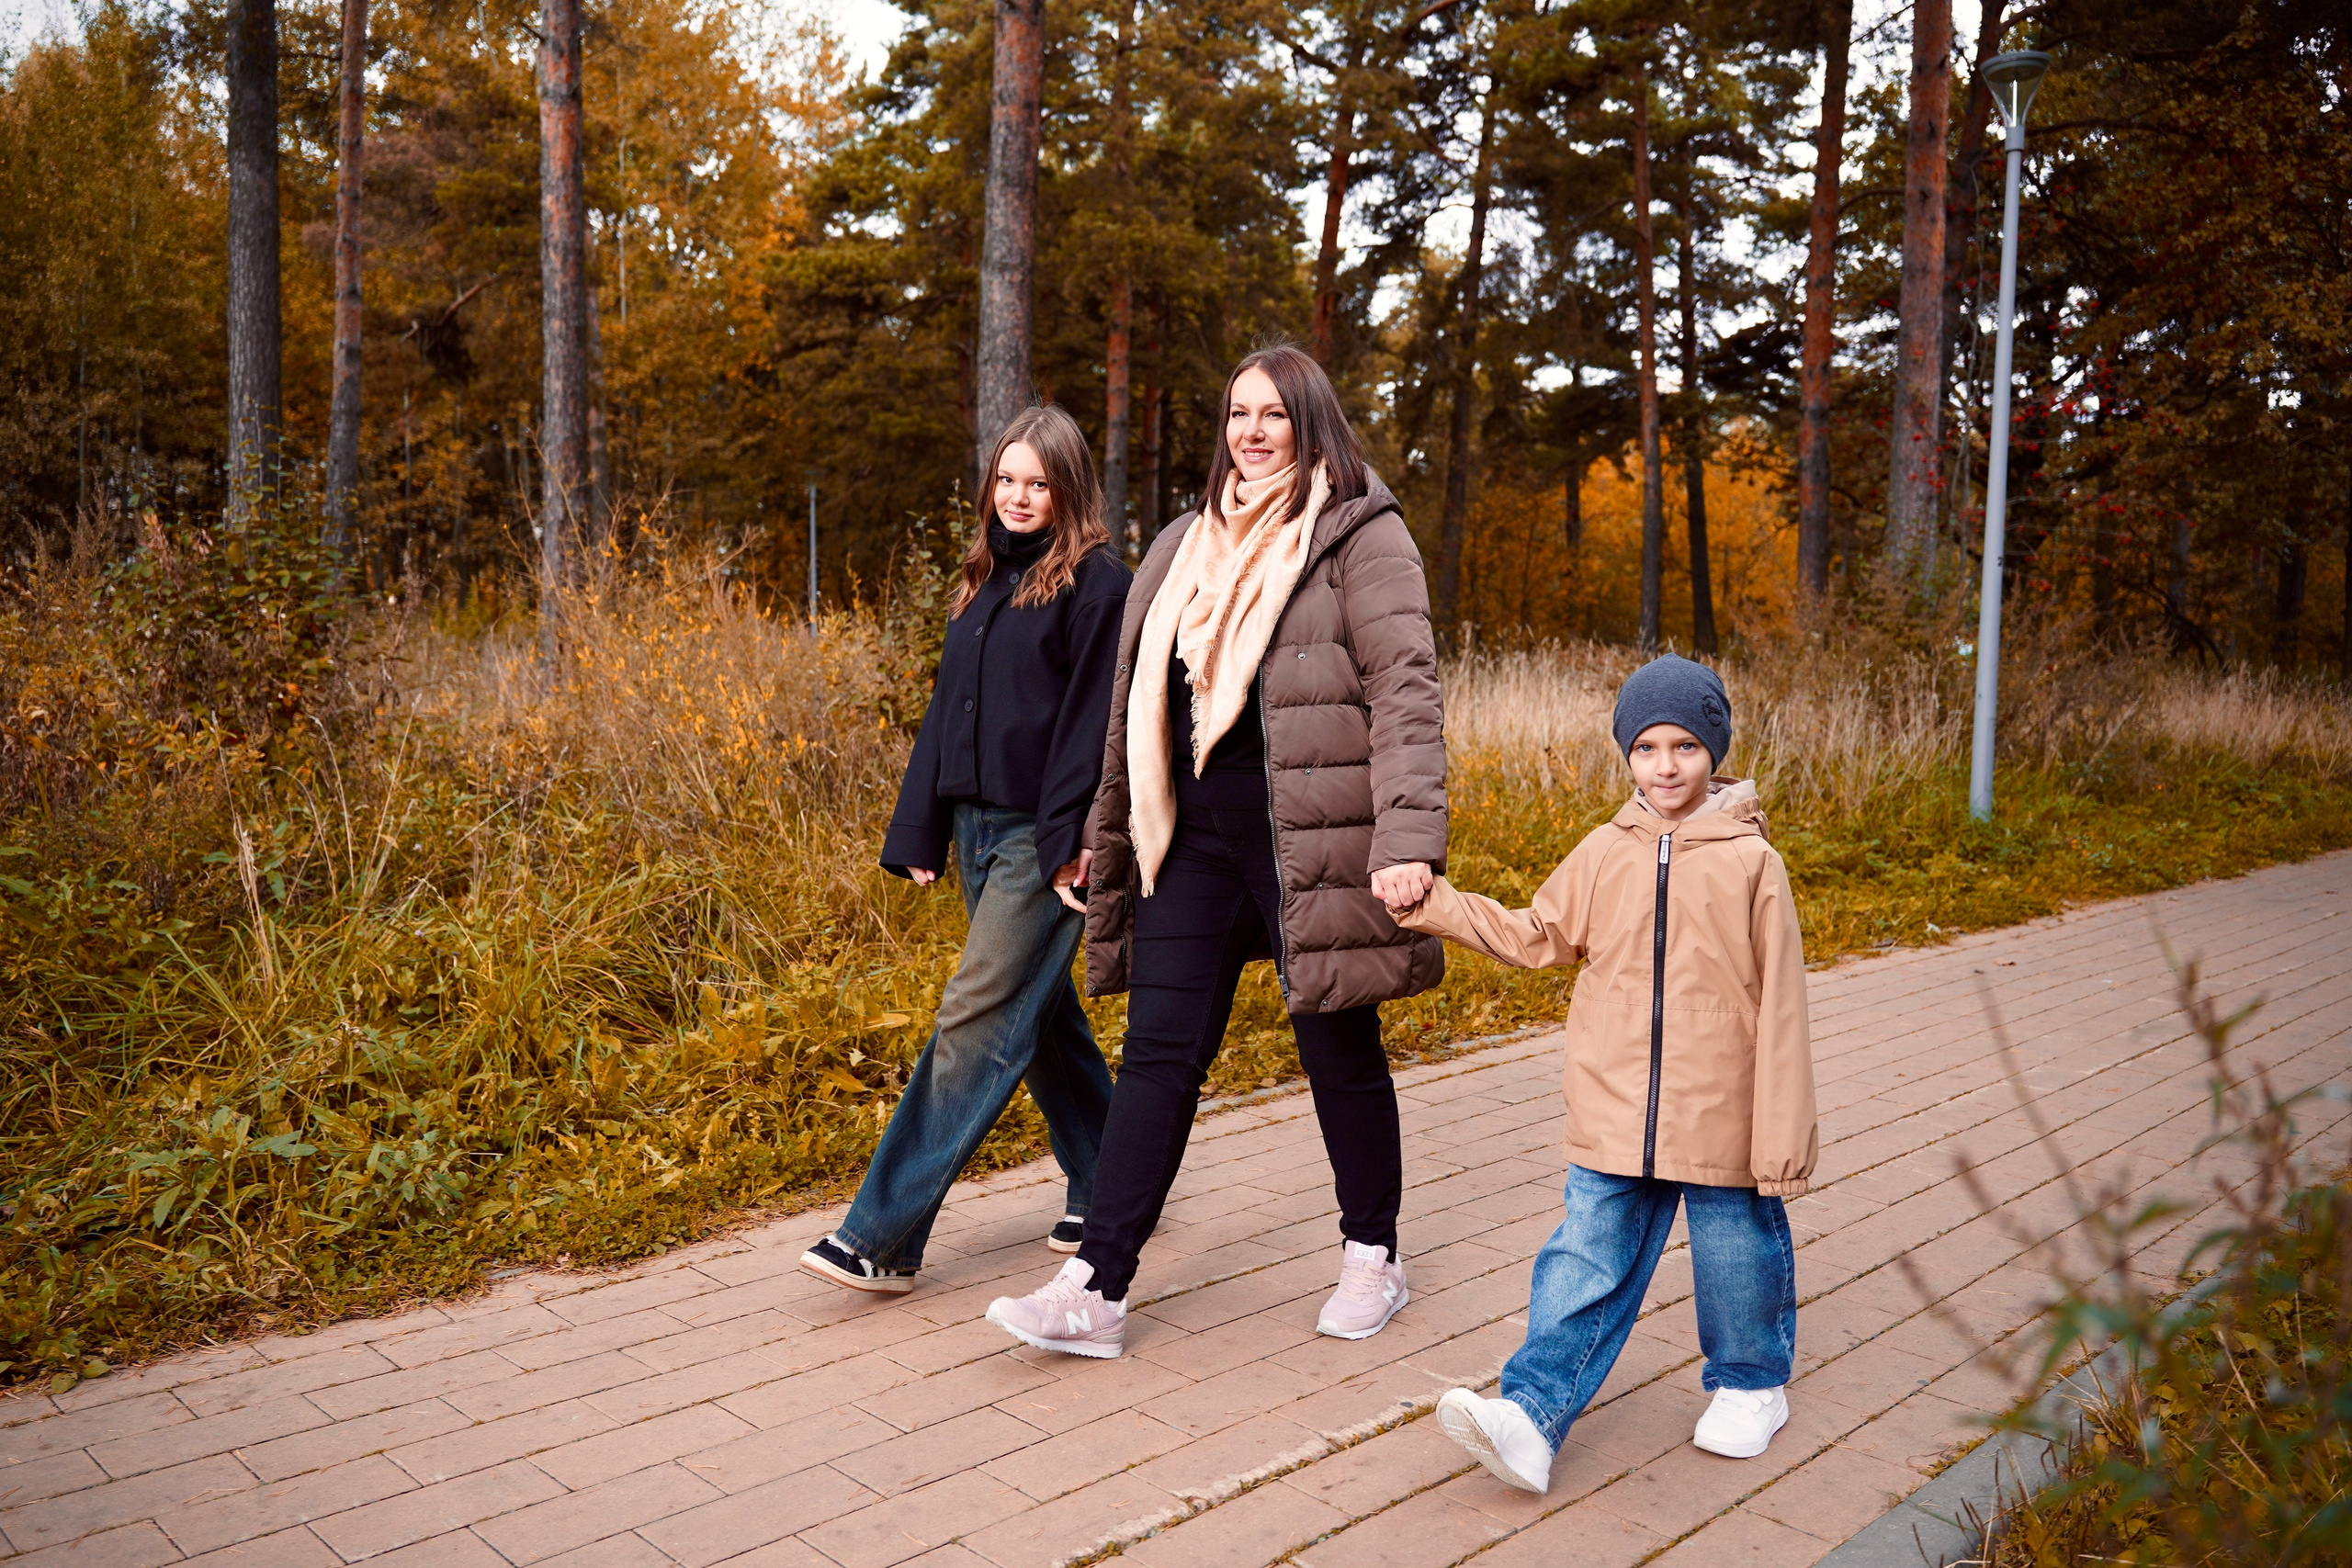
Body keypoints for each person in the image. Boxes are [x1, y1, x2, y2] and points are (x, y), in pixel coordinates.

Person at [983, 343, 1447, 1358]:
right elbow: (1125, 710)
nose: (1251, 431)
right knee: (1157, 1054)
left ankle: (1373, 1252)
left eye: (1273, 414)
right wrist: (1088, 840)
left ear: (1310, 423)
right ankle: (1097, 1287)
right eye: (1238, 413)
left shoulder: (1359, 533)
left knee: (1336, 1042)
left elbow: (1405, 690)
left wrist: (1410, 839)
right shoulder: (1186, 542)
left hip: (1313, 829)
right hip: (1188, 829)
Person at [1381, 654, 1816, 1488]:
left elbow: (1786, 1006)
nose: (1665, 766)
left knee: (1734, 1248)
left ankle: (1751, 1383)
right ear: (1627, 754)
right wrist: (1432, 902)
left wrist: (1784, 1135)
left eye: (1684, 746)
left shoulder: (1753, 863)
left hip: (1722, 1106)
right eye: (1647, 746)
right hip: (1614, 1103)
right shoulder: (1603, 852)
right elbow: (1533, 934)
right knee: (1582, 1254)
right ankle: (1532, 1416)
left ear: (1712, 750)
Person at [799, 405, 1129, 1294]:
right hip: (979, 831)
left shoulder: (1096, 584)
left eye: (1038, 483)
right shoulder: (983, 578)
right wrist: (922, 831)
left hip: (1041, 838)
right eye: (1007, 480)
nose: (1019, 498)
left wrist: (1074, 844)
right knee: (1040, 1011)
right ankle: (1111, 1182)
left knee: (975, 1018)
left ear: (1067, 489)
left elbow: (1094, 727)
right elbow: (950, 713)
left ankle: (881, 1235)